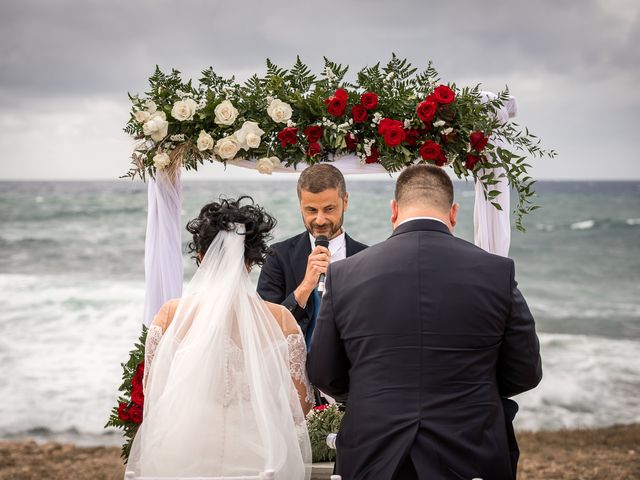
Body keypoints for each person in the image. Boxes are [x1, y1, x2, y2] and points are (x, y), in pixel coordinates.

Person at [308, 165, 543, 480]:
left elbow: (323, 371)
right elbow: (525, 371)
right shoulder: (496, 271)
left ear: (394, 210)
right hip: (470, 449)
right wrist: (473, 388)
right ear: (454, 212)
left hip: (374, 451)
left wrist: (374, 393)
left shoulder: (346, 274)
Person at [126, 197, 312, 479]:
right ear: (251, 261)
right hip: (260, 458)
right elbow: (300, 405)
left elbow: (155, 393)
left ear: (201, 256)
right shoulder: (280, 319)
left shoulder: (171, 315)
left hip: (183, 455)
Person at [257, 163, 367, 346]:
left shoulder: (367, 257)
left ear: (345, 201)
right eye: (311, 210)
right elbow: (264, 329)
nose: (320, 219)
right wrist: (306, 286)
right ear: (300, 205)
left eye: (329, 209)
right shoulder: (278, 256)